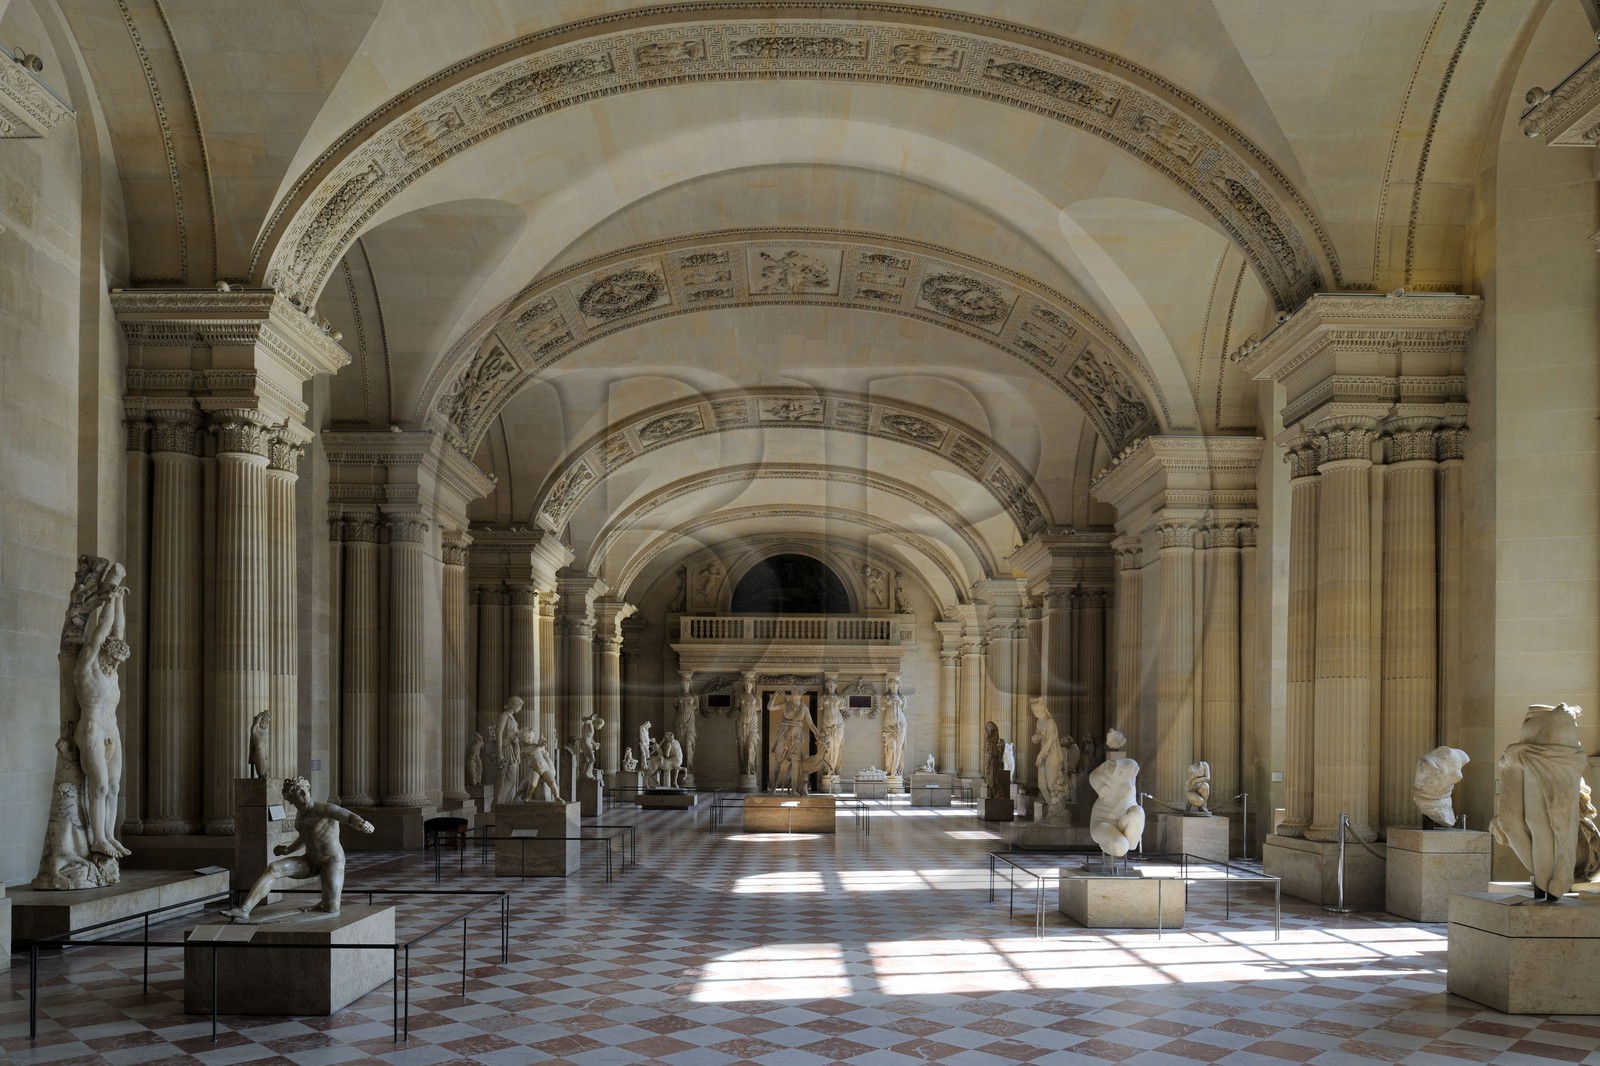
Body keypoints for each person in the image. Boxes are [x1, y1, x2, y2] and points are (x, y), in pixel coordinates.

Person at [226, 776, 374, 921]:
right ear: (290, 799)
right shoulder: (300, 816)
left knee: (332, 909)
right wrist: (287, 850)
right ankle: (244, 910)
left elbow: (348, 817)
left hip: (331, 861)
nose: (305, 795)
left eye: (306, 790)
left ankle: (327, 901)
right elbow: (305, 837)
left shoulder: (325, 809)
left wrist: (361, 823)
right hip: (309, 861)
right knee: (273, 868)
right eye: (300, 793)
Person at [74, 580, 131, 860]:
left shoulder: (113, 673)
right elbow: (103, 632)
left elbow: (118, 633)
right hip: (92, 730)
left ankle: (109, 835)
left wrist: (120, 598)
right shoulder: (88, 666)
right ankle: (97, 838)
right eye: (115, 656)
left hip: (112, 730)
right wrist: (108, 599)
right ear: (105, 651)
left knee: (115, 787)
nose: (117, 662)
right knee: (99, 785)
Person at [769, 690, 817, 794]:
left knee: (795, 762)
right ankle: (774, 786)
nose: (795, 694)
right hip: (784, 734)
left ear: (801, 694)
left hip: (796, 737)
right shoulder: (786, 704)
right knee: (778, 760)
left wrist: (817, 734)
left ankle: (794, 789)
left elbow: (811, 724)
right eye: (793, 692)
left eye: (797, 693)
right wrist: (774, 695)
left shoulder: (804, 708)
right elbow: (770, 707)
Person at [1030, 697, 1068, 822]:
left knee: (1053, 784)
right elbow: (1041, 736)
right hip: (1044, 755)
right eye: (1033, 710)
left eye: (1037, 709)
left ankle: (1059, 809)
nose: (1035, 712)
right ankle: (1053, 809)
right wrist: (1035, 738)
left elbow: (1050, 742)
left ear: (1043, 708)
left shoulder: (1050, 721)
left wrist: (1039, 756)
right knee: (1042, 785)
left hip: (1052, 755)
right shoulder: (1039, 721)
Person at [496, 696, 524, 804]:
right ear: (514, 704)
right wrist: (499, 754)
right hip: (506, 751)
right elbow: (498, 734)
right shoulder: (504, 716)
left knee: (513, 778)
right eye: (520, 706)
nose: (520, 709)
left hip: (513, 751)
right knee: (506, 779)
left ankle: (508, 803)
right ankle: (500, 804)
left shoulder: (513, 718)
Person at [817, 678, 846, 777]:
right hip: (827, 727)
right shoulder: (823, 698)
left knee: (836, 747)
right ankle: (827, 769)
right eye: (829, 685)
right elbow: (820, 710)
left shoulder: (839, 698)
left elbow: (842, 708)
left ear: (836, 686)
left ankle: (834, 770)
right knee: (828, 748)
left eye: (832, 685)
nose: (831, 687)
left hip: (838, 726)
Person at [880, 677, 907, 777]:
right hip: (889, 726)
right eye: (891, 685)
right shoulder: (885, 697)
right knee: (891, 747)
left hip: (901, 725)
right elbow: (882, 707)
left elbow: (904, 707)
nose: (893, 687)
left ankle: (895, 772)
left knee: (899, 747)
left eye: (895, 685)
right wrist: (887, 702)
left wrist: (899, 702)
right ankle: (889, 770)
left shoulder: (902, 697)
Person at [736, 678, 761, 778]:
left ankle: (751, 769)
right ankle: (744, 770)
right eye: (745, 685)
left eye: (749, 685)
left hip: (753, 726)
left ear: (752, 686)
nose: (747, 686)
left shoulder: (756, 697)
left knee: (750, 748)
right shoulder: (740, 696)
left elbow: (759, 709)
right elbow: (736, 709)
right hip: (741, 725)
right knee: (742, 747)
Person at [674, 678, 698, 773]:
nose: (685, 686)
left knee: (688, 746)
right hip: (679, 723)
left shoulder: (694, 696)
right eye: (683, 684)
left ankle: (688, 769)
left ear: (690, 685)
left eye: (686, 684)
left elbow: (696, 708)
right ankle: (680, 769)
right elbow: (676, 707)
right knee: (679, 747)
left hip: (690, 725)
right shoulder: (678, 696)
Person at [248, 709, 271, 779]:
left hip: (265, 754)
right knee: (261, 772)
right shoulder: (255, 731)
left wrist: (267, 754)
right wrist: (262, 714)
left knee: (265, 774)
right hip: (259, 753)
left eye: (267, 722)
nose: (266, 723)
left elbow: (266, 745)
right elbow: (255, 722)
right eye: (264, 721)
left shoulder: (266, 733)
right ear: (260, 722)